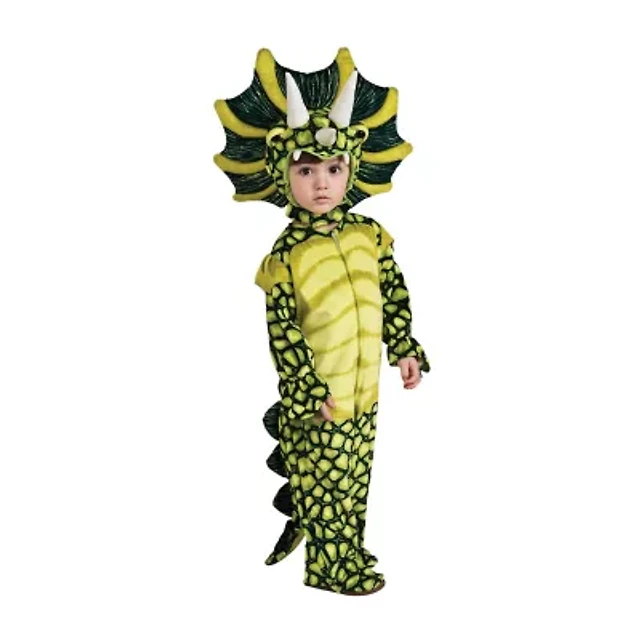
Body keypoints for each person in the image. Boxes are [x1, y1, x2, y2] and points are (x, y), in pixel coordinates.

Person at [214, 48, 430, 595]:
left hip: (364, 391)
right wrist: (306, 388)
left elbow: (393, 291)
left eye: (333, 169)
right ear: (282, 175)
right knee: (325, 485)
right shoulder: (286, 255)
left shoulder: (370, 235)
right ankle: (328, 567)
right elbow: (282, 331)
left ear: (351, 170)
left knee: (354, 480)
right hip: (320, 398)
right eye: (305, 170)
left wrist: (404, 346)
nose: (321, 183)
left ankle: (348, 549)